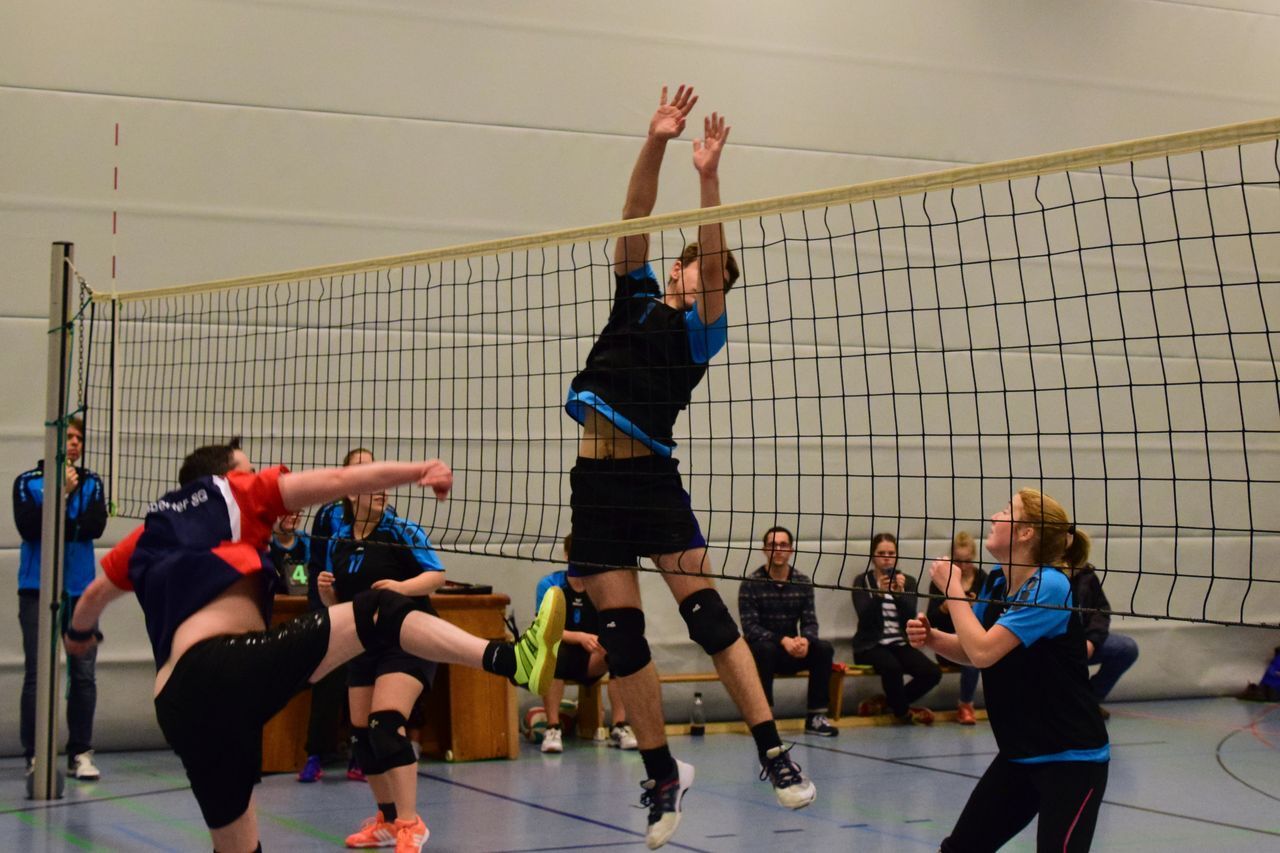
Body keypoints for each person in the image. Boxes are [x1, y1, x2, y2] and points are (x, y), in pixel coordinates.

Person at [65, 438, 564, 853]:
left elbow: (90, 602)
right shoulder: (235, 493)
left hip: (177, 705)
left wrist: (79, 639)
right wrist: (420, 470)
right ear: (229, 475)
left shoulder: (149, 533)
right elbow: (342, 480)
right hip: (227, 668)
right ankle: (510, 659)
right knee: (379, 610)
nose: (256, 474)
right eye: (249, 469)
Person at [563, 85, 814, 848]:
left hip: (652, 481)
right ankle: (662, 771)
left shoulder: (704, 334)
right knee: (622, 635)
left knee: (707, 616)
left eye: (713, 280)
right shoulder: (634, 294)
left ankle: (772, 749)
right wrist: (658, 140)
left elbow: (712, 254)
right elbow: (633, 215)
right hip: (595, 485)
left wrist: (709, 179)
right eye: (696, 270)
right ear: (673, 269)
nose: (703, 280)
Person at [908, 488, 1109, 852]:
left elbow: (984, 652)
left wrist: (952, 589)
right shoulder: (998, 581)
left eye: (1005, 511)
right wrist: (933, 638)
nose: (994, 517)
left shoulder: (1049, 585)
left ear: (1026, 531)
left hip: (1071, 760)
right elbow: (976, 648)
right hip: (1020, 754)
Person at [315, 485, 446, 846]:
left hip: (408, 637)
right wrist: (328, 595)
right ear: (350, 494)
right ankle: (387, 821)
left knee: (386, 724)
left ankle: (410, 825)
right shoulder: (338, 539)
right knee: (362, 735)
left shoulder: (400, 530)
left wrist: (401, 588)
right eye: (371, 484)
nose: (381, 490)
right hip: (365, 642)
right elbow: (344, 603)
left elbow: (436, 576)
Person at [12, 415, 108, 781]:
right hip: (37, 588)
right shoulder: (27, 482)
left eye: (79, 438)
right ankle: (36, 754)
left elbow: (94, 526)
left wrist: (61, 520)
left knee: (83, 675)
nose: (74, 443)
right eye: (68, 437)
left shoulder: (92, 482)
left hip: (80, 591)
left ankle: (80, 752)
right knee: (37, 674)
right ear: (52, 440)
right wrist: (63, 495)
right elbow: (29, 527)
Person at [299, 447, 374, 784]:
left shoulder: (382, 513)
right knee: (327, 679)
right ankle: (316, 755)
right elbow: (317, 565)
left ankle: (361, 756)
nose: (365, 473)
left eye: (370, 467)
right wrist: (322, 607)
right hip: (332, 609)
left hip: (365, 610)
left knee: (365, 681)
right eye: (358, 467)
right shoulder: (328, 514)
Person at [534, 534, 637, 754]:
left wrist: (607, 638)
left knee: (620, 651)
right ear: (567, 555)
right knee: (550, 651)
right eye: (577, 553)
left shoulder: (601, 587)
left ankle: (619, 726)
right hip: (559, 656)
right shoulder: (550, 585)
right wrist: (579, 637)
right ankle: (552, 729)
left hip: (592, 660)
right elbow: (543, 629)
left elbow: (613, 624)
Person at [738, 526, 837, 737]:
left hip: (792, 650)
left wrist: (805, 641)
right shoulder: (751, 584)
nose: (778, 550)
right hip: (763, 653)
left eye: (783, 545)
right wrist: (782, 640)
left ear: (791, 550)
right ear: (764, 550)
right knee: (764, 649)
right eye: (773, 545)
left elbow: (810, 622)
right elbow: (750, 628)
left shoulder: (802, 582)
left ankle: (816, 717)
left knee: (823, 649)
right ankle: (765, 719)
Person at [852, 532, 941, 725]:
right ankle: (903, 714)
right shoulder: (862, 581)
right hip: (869, 645)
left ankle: (887, 703)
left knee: (932, 672)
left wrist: (900, 595)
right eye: (881, 553)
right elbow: (864, 617)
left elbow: (910, 617)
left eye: (891, 553)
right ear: (873, 556)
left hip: (899, 643)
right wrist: (879, 595)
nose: (886, 558)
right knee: (892, 667)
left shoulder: (907, 581)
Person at [925, 531, 987, 725]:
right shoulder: (943, 578)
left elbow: (992, 615)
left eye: (967, 561)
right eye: (958, 560)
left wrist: (977, 606)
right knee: (973, 653)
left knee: (979, 649)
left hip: (978, 638)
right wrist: (945, 608)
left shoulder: (983, 578)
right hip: (947, 643)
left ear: (974, 557)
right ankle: (966, 705)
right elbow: (930, 618)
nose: (962, 566)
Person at [1069, 562, 1139, 716]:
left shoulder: (1085, 574)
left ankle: (1088, 701)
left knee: (1126, 648)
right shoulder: (1042, 574)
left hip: (1082, 643)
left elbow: (1101, 612)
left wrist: (1092, 641)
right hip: (1052, 644)